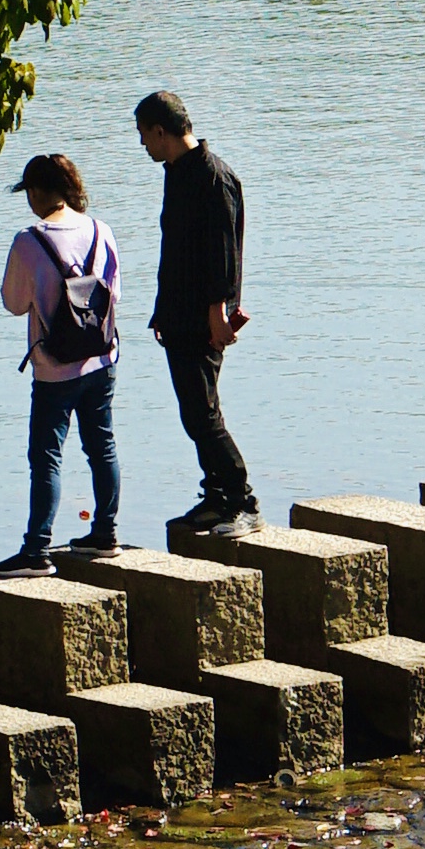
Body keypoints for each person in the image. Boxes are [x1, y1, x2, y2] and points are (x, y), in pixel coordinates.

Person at [138, 88, 258, 538]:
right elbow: (177, 251)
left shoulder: (213, 177)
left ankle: (243, 502)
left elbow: (222, 254)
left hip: (205, 317)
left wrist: (216, 314)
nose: (142, 145)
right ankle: (215, 498)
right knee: (194, 413)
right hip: (178, 315)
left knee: (204, 415)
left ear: (161, 131)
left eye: (144, 136)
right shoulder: (177, 172)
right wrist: (161, 313)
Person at [0, 152, 124, 571]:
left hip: (54, 369)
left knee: (47, 456)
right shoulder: (100, 230)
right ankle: (105, 533)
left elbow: (14, 304)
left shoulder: (28, 240)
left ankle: (36, 551)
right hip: (102, 360)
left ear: (36, 192)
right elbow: (114, 293)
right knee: (101, 446)